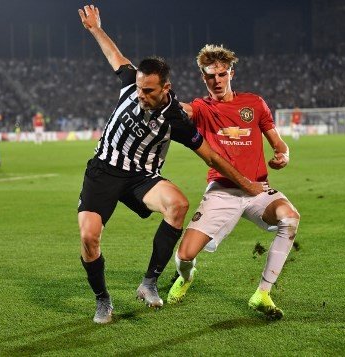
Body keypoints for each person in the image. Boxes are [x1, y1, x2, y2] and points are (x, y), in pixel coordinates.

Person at [77, 5, 264, 324]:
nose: (139, 95)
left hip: (140, 176)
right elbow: (115, 56)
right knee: (89, 237)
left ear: (165, 89)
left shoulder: (176, 119)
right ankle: (103, 300)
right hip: (104, 171)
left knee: (178, 205)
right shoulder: (130, 84)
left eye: (147, 91)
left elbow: (212, 156)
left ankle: (149, 283)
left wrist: (246, 183)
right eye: (137, 87)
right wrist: (96, 28)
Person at [167, 44, 300, 320]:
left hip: (257, 190)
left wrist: (283, 155)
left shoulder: (255, 103)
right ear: (203, 78)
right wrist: (161, 99)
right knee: (184, 256)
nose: (217, 80)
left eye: (222, 74)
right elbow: (183, 110)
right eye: (210, 76)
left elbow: (279, 144)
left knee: (290, 217)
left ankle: (262, 293)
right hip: (222, 192)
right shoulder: (202, 108)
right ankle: (186, 277)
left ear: (231, 73)